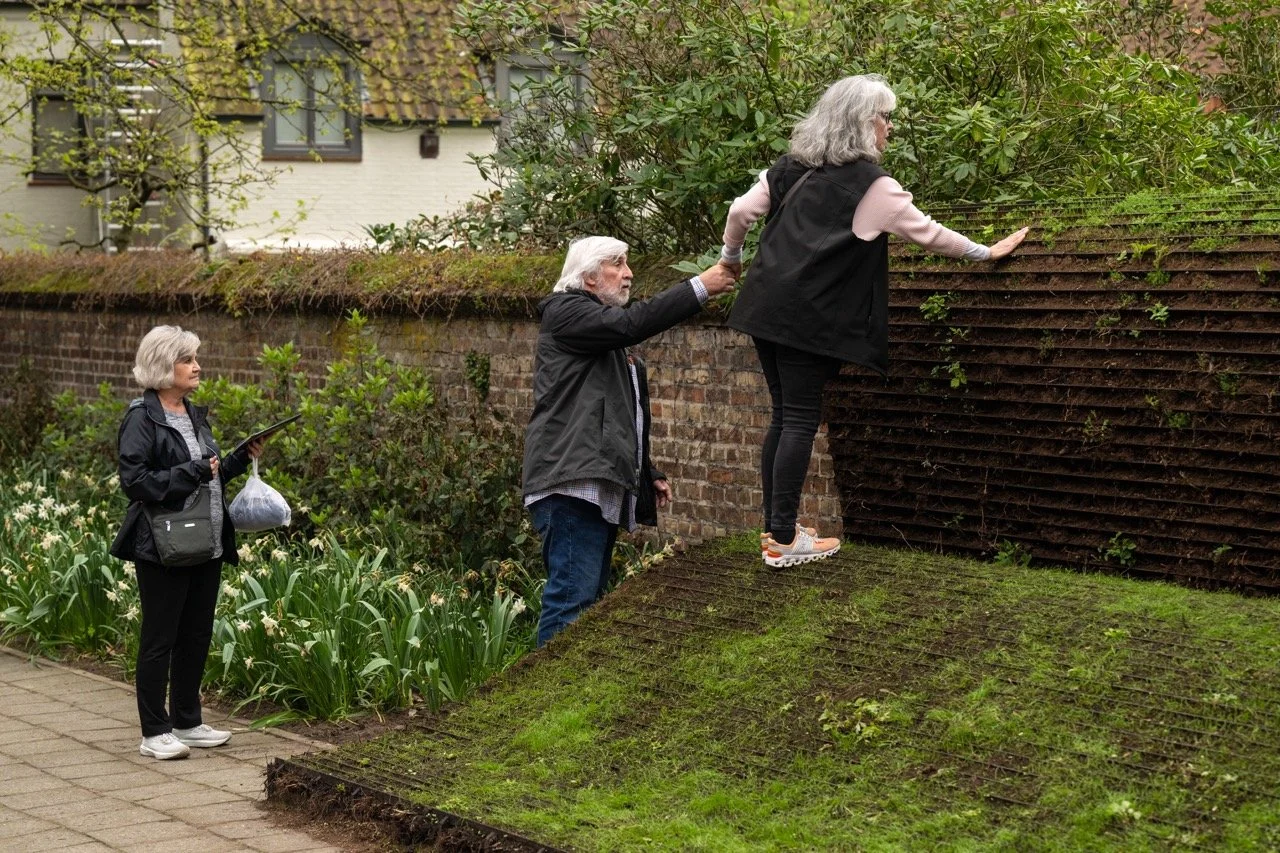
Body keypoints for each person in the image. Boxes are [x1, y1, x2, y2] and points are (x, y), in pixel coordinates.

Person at [720, 74, 1029, 569]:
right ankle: (781, 541)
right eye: (885, 117)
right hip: (805, 316)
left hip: (763, 306)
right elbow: (930, 235)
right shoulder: (873, 187)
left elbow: (740, 212)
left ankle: (776, 529)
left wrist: (730, 258)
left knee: (784, 414)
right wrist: (985, 252)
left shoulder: (788, 168)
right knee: (798, 418)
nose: (889, 128)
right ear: (864, 124)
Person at [523, 236, 737, 646]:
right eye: (617, 264)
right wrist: (700, 286)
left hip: (591, 479)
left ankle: (564, 696)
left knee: (586, 605)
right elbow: (633, 323)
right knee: (571, 601)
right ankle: (543, 701)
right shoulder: (566, 312)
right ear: (587, 277)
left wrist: (646, 470)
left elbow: (618, 411)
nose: (629, 273)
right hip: (570, 483)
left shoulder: (599, 334)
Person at [110, 325, 266, 760]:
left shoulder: (194, 414)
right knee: (160, 638)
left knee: (195, 636)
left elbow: (208, 472)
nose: (197, 367)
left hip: (208, 543)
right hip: (163, 547)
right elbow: (136, 483)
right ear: (163, 365)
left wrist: (238, 458)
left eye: (196, 359)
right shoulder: (142, 418)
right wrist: (192, 472)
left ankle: (187, 721)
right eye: (187, 360)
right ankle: (154, 731)